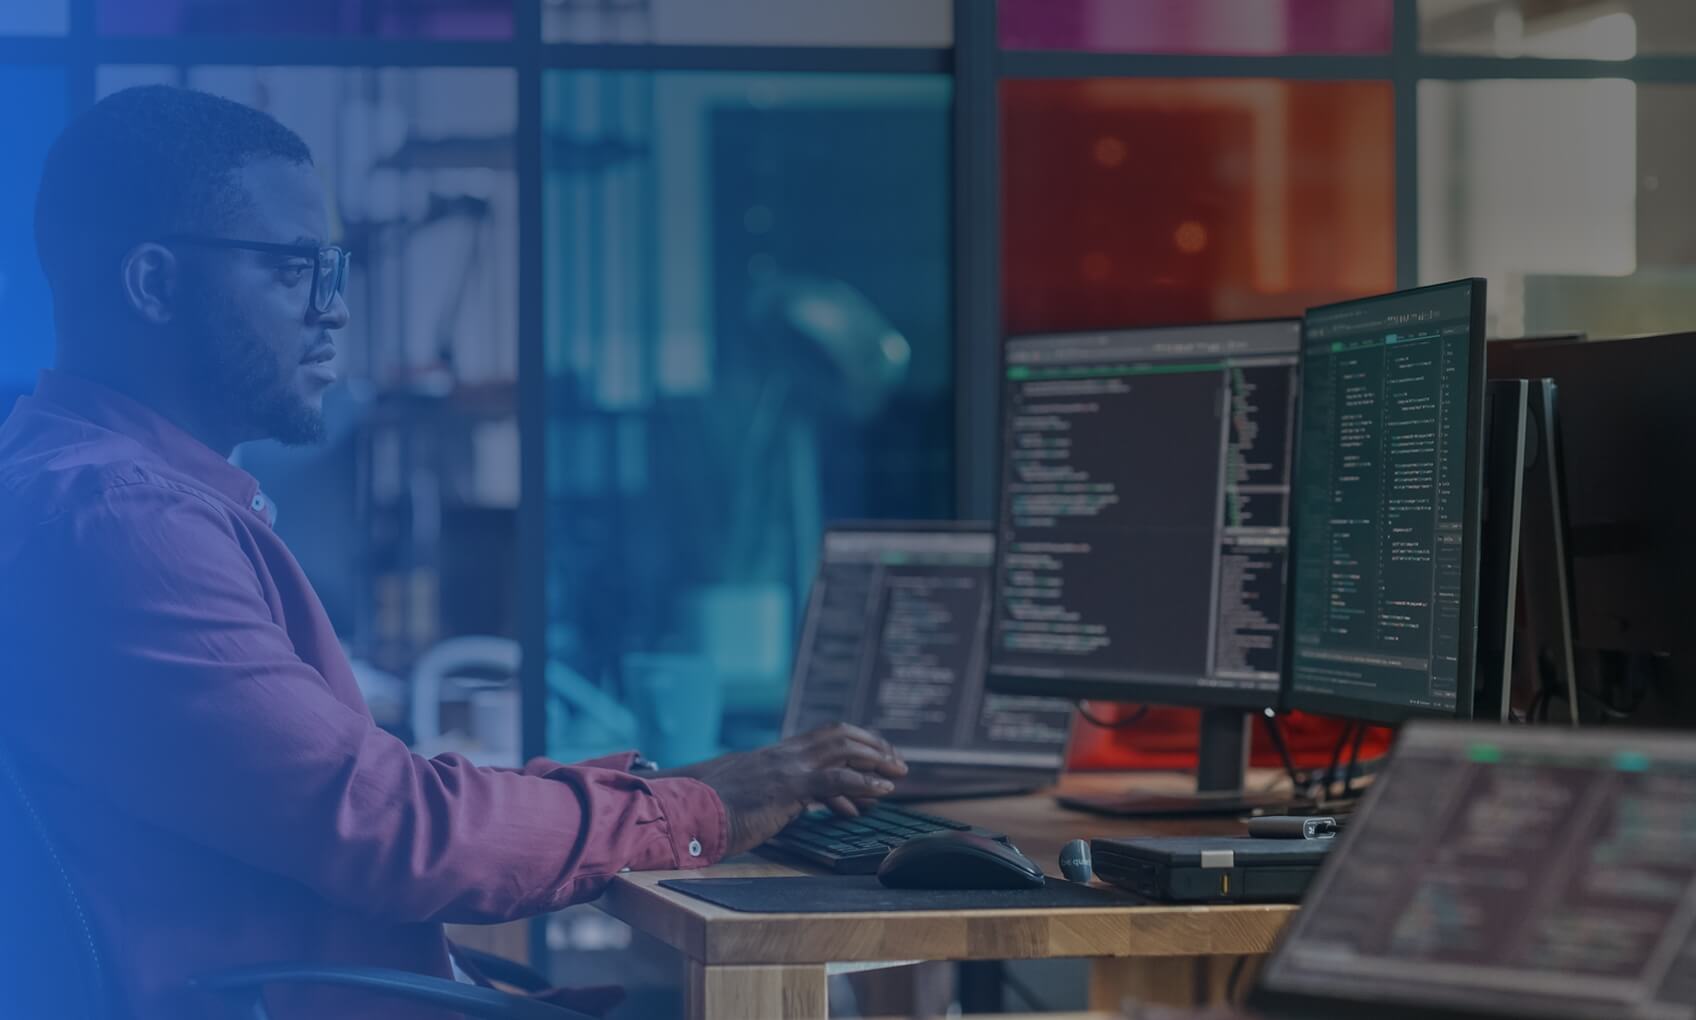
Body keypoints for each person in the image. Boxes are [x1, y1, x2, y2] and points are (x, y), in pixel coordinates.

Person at [0, 84, 906, 1019]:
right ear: (153, 282)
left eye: (335, 268)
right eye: (291, 269)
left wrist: (671, 793)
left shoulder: (79, 486)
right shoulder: (122, 523)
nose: (335, 310)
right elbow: (394, 830)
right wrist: (701, 812)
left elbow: (375, 805)